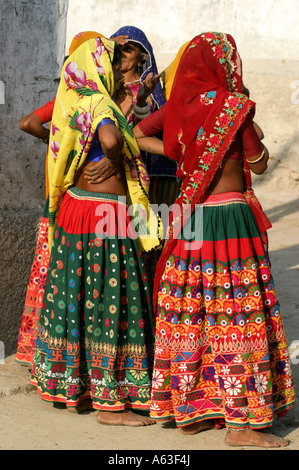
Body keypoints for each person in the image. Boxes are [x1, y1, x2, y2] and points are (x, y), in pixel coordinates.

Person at [133, 32, 295, 447]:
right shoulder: (234, 109)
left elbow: (136, 133)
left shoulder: (177, 108)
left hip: (191, 219)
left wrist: (181, 155)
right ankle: (242, 425)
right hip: (231, 219)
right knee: (237, 314)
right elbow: (258, 163)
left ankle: (196, 409)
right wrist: (246, 117)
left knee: (194, 312)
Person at [29, 36, 162, 426]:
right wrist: (116, 157)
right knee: (115, 295)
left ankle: (72, 383)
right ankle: (112, 403)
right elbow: (109, 138)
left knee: (77, 292)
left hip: (75, 206)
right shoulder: (101, 103)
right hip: (106, 213)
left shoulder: (73, 99)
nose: (115, 66)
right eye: (109, 59)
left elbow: (45, 130)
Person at [85, 26, 180, 207]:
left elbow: (141, 131)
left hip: (130, 171)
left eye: (128, 49)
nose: (122, 53)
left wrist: (142, 98)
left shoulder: (146, 90)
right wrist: (107, 45)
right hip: (95, 165)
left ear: (142, 57)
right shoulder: (101, 85)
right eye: (118, 48)